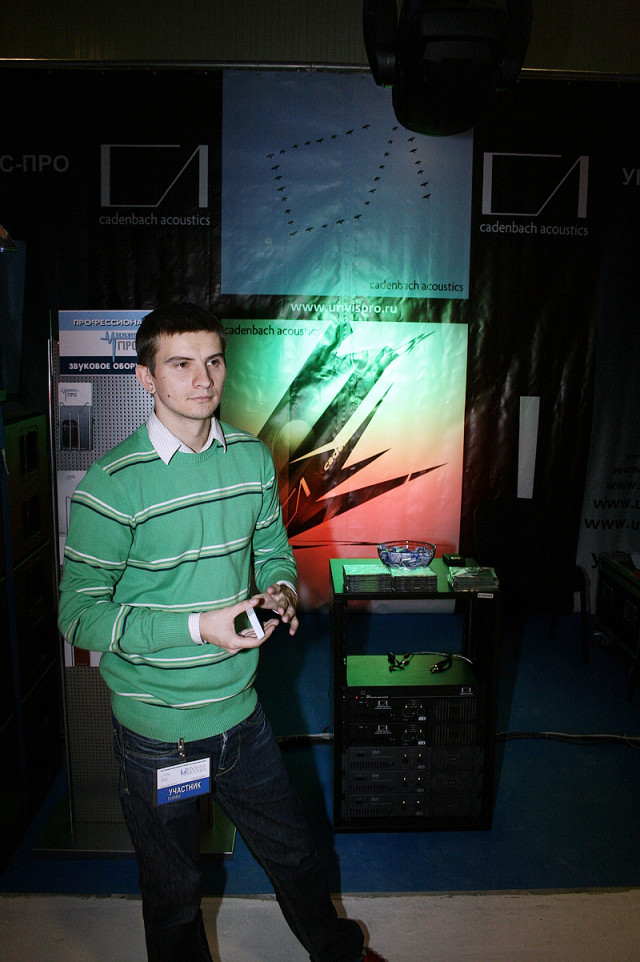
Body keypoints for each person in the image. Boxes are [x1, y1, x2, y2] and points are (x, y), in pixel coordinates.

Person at [58, 303, 388, 962]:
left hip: (241, 717)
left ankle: (339, 953)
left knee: (295, 855)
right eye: (181, 364)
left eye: (212, 361)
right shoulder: (110, 486)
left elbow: (272, 549)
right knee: (174, 888)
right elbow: (79, 616)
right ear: (146, 376)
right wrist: (197, 627)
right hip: (159, 735)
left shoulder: (251, 459)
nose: (202, 379)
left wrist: (281, 589)